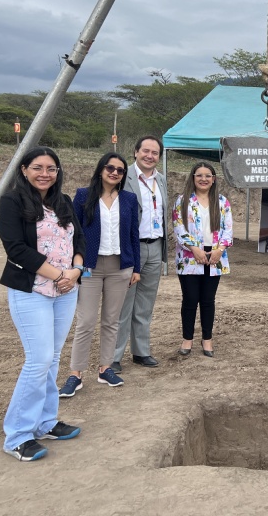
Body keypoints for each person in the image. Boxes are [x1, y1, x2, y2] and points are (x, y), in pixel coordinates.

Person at [0, 147, 85, 461]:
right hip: (31, 290)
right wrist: (60, 274)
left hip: (66, 290)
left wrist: (74, 272)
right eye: (38, 167)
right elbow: (16, 249)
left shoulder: (64, 203)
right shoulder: (11, 203)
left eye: (51, 168)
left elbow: (80, 240)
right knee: (39, 359)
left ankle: (46, 422)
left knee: (53, 357)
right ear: (24, 170)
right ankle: (18, 435)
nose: (45, 173)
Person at [59, 153, 141, 398]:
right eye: (110, 167)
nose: (115, 172)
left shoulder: (129, 198)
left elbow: (133, 235)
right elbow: (74, 232)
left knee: (111, 320)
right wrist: (76, 264)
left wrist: (135, 268)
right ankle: (75, 373)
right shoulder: (84, 195)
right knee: (85, 321)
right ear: (101, 169)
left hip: (120, 266)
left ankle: (105, 368)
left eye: (120, 170)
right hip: (89, 267)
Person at [112, 136, 167, 372]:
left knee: (145, 304)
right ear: (135, 152)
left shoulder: (162, 180)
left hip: (155, 246)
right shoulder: (122, 177)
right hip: (129, 248)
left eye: (155, 153)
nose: (150, 156)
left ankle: (141, 352)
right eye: (146, 151)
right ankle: (113, 356)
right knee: (122, 304)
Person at [172, 162, 233, 358]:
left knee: (208, 300)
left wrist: (220, 249)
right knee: (190, 299)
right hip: (190, 257)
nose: (204, 179)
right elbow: (178, 227)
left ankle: (207, 339)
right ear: (193, 178)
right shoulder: (183, 201)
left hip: (215, 257)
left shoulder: (222, 202)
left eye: (208, 175)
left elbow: (228, 229)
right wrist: (194, 249)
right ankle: (187, 339)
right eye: (200, 175)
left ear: (213, 179)